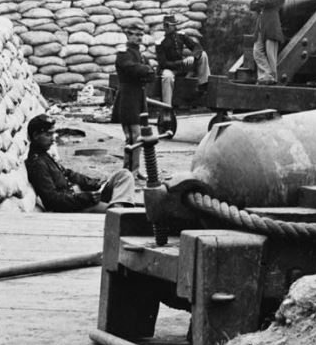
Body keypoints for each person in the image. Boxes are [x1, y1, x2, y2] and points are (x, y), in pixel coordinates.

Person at [25, 114, 136, 213]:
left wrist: (94, 184)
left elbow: (68, 173)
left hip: (81, 197)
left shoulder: (45, 155)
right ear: (35, 136)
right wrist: (86, 198)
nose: (53, 139)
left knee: (124, 175)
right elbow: (52, 200)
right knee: (114, 209)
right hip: (74, 207)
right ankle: (118, 212)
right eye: (48, 135)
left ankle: (118, 209)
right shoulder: (37, 163)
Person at [114, 24, 155, 180]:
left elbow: (151, 75)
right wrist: (146, 69)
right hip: (128, 97)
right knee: (133, 136)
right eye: (136, 34)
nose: (139, 37)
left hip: (138, 97)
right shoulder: (123, 54)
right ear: (128, 35)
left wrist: (146, 69)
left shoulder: (140, 54)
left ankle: (135, 170)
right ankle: (129, 172)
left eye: (141, 35)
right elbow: (132, 69)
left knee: (139, 136)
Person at [155, 14, 210, 106]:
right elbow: (163, 63)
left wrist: (192, 56)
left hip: (182, 67)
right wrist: (180, 62)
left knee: (203, 55)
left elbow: (197, 47)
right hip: (169, 69)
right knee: (167, 77)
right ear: (166, 26)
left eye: (174, 25)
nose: (174, 27)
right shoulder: (160, 42)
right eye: (172, 25)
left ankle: (203, 85)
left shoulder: (181, 36)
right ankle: (167, 107)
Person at [248, 0, 286, 85]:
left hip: (271, 26)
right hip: (260, 27)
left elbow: (274, 0)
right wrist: (262, 0)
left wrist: (261, 1)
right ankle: (266, 75)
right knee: (257, 52)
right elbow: (252, 5)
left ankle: (271, 77)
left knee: (270, 54)